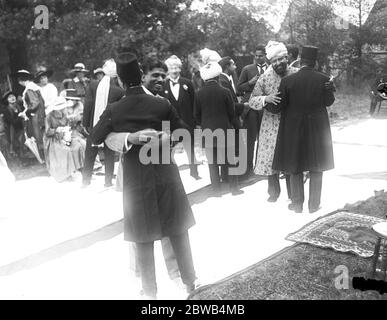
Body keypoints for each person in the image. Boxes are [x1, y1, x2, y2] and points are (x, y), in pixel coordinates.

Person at [91, 52, 197, 299]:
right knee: (178, 229)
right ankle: (191, 282)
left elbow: (95, 137)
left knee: (142, 235)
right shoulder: (161, 104)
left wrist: (129, 138)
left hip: (136, 179)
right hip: (166, 173)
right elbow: (184, 131)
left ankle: (150, 292)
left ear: (120, 81)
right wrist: (166, 138)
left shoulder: (115, 109)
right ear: (141, 76)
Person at [273, 46, 335, 213]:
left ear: (300, 61)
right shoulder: (324, 79)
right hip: (317, 129)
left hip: (294, 129)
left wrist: (264, 101)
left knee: (295, 165)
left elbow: (279, 106)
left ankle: (297, 204)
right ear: (315, 62)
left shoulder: (287, 81)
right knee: (317, 166)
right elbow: (329, 102)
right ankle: (314, 205)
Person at [249, 41, 297, 202]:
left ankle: (293, 194)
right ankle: (273, 193)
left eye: (280, 59)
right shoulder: (265, 77)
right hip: (270, 125)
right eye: (274, 61)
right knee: (270, 158)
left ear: (287, 57)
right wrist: (266, 98)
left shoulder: (296, 73)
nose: (278, 64)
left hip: (292, 123)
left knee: (291, 159)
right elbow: (252, 101)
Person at [195, 59, 243, 195]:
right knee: (230, 160)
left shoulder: (198, 94)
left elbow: (196, 115)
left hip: (208, 131)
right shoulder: (225, 91)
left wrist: (205, 125)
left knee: (213, 163)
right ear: (217, 76)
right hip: (225, 130)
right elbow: (232, 113)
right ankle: (234, 189)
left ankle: (216, 190)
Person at [82, 59, 125, 188]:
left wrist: (85, 124)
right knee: (109, 153)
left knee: (90, 153)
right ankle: (107, 182)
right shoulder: (118, 91)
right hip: (110, 127)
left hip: (93, 124)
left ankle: (85, 181)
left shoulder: (93, 85)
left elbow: (88, 106)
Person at [163, 55, 200, 180]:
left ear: (180, 68)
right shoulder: (163, 85)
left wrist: (195, 120)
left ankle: (194, 172)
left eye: (176, 67)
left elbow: (194, 102)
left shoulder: (187, 83)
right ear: (167, 69)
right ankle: (171, 174)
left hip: (187, 121)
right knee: (169, 149)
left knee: (190, 147)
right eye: (171, 68)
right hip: (169, 123)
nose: (174, 70)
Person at [237, 45, 268, 178]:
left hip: (266, 107)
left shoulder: (272, 68)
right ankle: (247, 170)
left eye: (260, 56)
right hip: (250, 109)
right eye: (256, 56)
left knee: (264, 139)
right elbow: (239, 88)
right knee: (249, 140)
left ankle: (261, 167)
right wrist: (250, 82)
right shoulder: (247, 69)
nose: (258, 58)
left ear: (265, 55)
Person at [44, 97, 86, 182]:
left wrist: (67, 129)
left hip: (64, 136)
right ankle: (65, 174)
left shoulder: (65, 114)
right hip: (52, 139)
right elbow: (47, 132)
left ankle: (80, 168)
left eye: (62, 108)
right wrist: (57, 130)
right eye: (60, 108)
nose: (62, 109)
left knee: (78, 146)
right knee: (65, 151)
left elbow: (68, 126)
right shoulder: (49, 116)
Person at [16, 69, 46, 160]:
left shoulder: (29, 88)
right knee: (40, 136)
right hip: (39, 114)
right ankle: (44, 157)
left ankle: (44, 158)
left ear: (21, 80)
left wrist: (25, 112)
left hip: (36, 115)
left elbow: (34, 103)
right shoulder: (33, 87)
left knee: (38, 136)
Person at [1, 91, 25, 159]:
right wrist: (20, 117)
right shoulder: (6, 110)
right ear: (7, 100)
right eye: (10, 97)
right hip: (11, 131)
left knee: (22, 143)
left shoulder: (19, 107)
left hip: (20, 128)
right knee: (16, 145)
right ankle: (19, 160)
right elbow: (12, 121)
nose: (12, 98)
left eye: (13, 96)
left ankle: (23, 158)